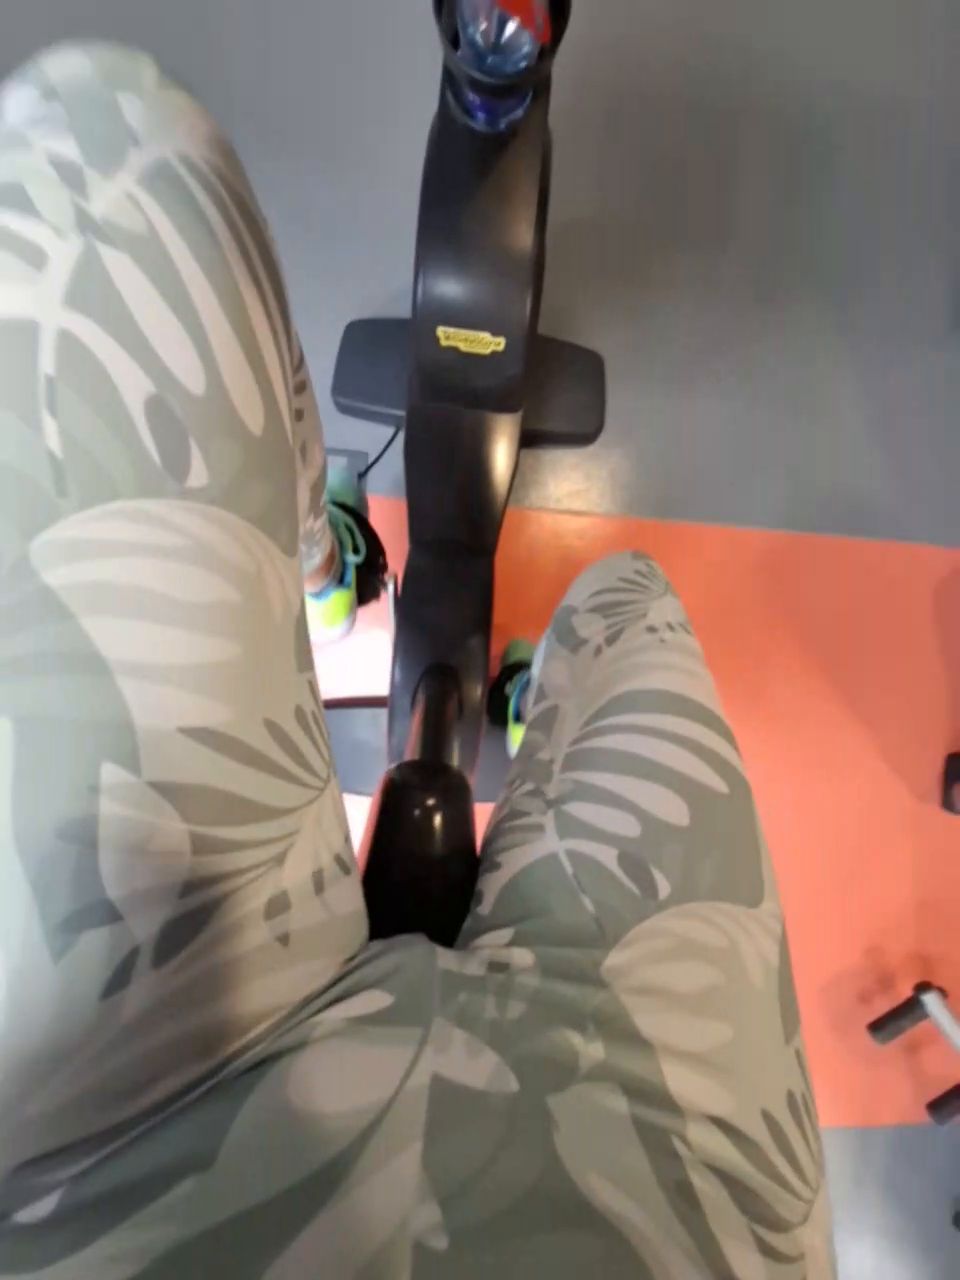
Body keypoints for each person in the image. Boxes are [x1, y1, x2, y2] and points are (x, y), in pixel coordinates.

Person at [0, 43, 834, 1279]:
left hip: (82, 1167)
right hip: (638, 1209)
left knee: (93, 139)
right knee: (627, 608)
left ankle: (326, 572)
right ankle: (525, 698)